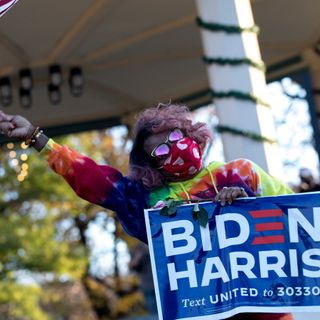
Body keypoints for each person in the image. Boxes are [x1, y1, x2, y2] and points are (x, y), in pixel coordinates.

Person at [0, 103, 293, 320]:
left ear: (191, 133)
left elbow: (297, 214)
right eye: (161, 151)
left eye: (176, 136)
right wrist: (38, 138)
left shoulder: (240, 173)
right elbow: (94, 178)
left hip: (269, 311)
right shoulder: (148, 201)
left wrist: (250, 205)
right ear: (152, 166)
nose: (174, 148)